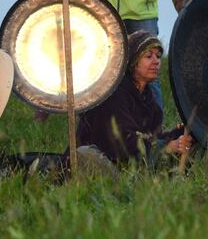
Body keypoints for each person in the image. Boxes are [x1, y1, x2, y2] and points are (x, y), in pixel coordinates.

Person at [76, 31, 193, 165]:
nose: (156, 62)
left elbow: (152, 139)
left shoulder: (150, 101)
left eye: (159, 56)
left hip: (131, 168)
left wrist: (179, 135)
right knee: (86, 154)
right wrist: (167, 146)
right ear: (133, 61)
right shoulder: (114, 95)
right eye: (149, 56)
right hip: (106, 163)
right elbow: (123, 142)